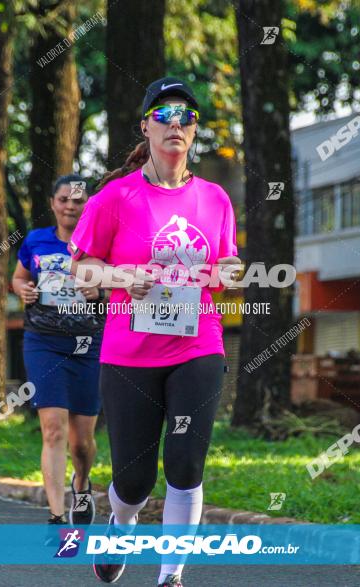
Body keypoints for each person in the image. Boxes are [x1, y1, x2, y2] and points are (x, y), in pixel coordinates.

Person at [69, 77, 240, 587]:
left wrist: (229, 272)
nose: (176, 124)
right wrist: (123, 277)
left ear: (194, 132)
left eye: (186, 116)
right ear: (145, 126)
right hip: (129, 354)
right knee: (134, 479)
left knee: (186, 463)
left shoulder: (214, 199)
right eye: (164, 114)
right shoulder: (115, 198)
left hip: (197, 346)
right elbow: (80, 270)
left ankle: (171, 575)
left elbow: (224, 262)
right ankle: (121, 523)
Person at [11, 174, 107, 528]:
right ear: (53, 203)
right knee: (53, 430)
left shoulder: (102, 245)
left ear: (88, 206)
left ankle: (81, 483)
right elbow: (19, 277)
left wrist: (101, 293)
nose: (70, 206)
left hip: (89, 343)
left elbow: (124, 287)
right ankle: (55, 515)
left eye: (78, 200)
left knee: (82, 442)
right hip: (44, 341)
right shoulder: (36, 241)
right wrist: (23, 290)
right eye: (63, 199)